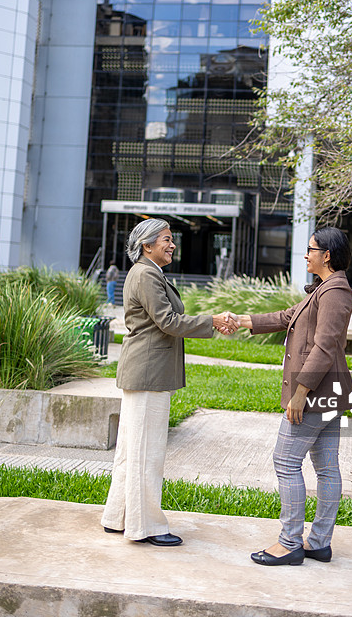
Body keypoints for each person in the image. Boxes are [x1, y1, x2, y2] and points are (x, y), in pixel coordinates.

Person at [101, 218, 235, 547]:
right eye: (165, 239)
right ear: (147, 246)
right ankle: (145, 526)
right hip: (149, 374)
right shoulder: (146, 274)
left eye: (171, 239)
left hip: (145, 373)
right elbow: (168, 321)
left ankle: (117, 516)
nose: (172, 244)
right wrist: (213, 321)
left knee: (132, 451)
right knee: (146, 454)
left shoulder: (148, 273)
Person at [230, 227, 352, 566]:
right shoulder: (326, 289)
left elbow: (324, 347)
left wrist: (301, 392)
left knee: (286, 462)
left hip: (315, 395)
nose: (305, 255)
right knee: (327, 468)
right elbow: (287, 317)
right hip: (329, 394)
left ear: (326, 255)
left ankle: (290, 543)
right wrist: (242, 321)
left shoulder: (334, 292)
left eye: (311, 249)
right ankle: (318, 543)